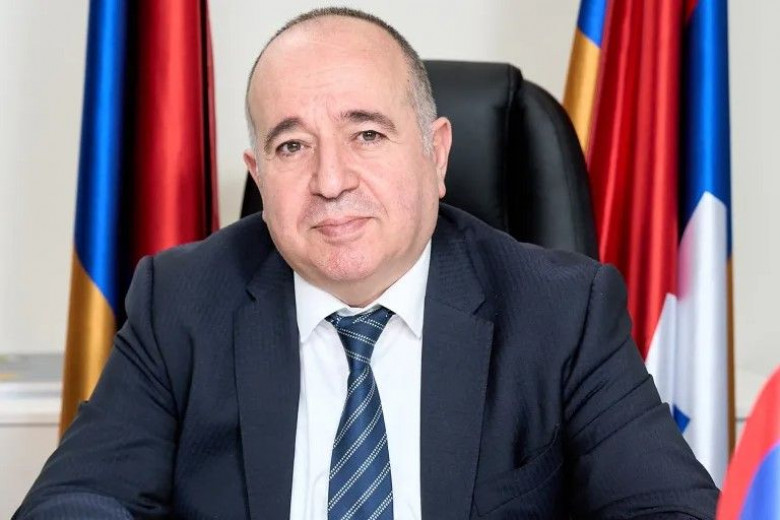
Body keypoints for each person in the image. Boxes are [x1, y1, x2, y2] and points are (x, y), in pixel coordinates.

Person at [16, 7, 719, 520]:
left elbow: (668, 509)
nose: (330, 180)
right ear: (259, 175)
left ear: (437, 154)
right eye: (293, 147)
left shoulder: (561, 311)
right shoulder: (181, 301)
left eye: (367, 135)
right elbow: (78, 498)